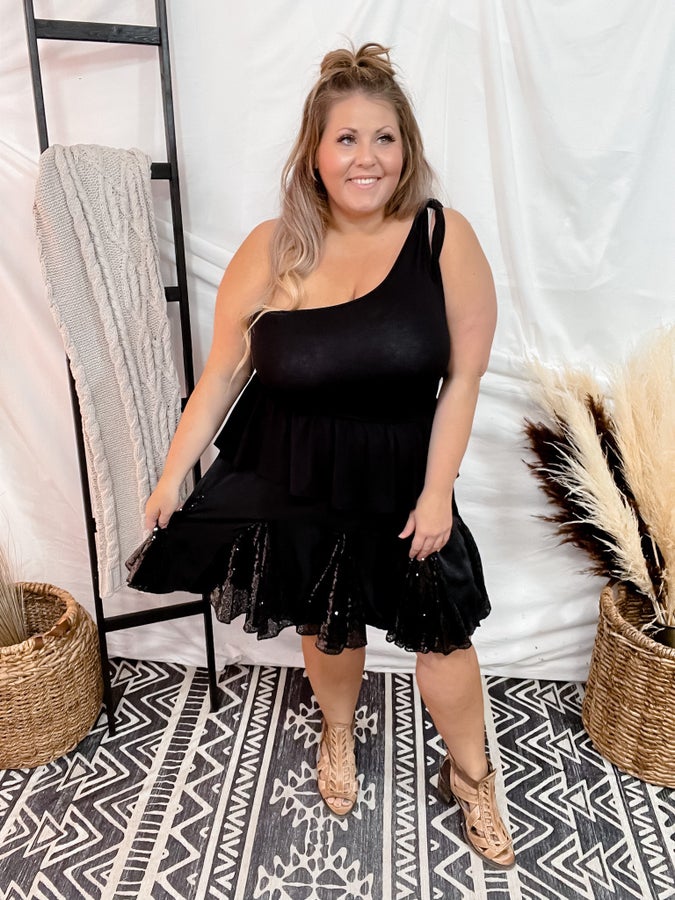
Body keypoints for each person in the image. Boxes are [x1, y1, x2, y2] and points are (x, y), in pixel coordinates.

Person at [127, 42, 515, 868]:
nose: (365, 158)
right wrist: (171, 475)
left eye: (383, 138)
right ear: (314, 151)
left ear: (405, 148)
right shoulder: (273, 247)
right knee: (326, 621)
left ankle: (471, 775)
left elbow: (463, 378)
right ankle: (337, 732)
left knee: (443, 636)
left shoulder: (441, 237)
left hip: (403, 474)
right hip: (294, 468)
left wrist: (437, 493)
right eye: (345, 138)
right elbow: (221, 376)